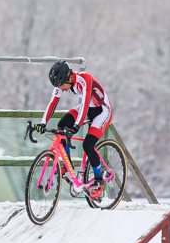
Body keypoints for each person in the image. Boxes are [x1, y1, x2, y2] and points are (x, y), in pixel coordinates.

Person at [34, 59, 113, 196]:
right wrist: (43, 123)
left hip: (102, 110)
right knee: (61, 126)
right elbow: (53, 103)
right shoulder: (61, 83)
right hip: (88, 108)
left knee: (88, 145)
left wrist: (76, 125)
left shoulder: (85, 79)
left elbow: (85, 103)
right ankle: (67, 165)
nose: (61, 89)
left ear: (70, 77)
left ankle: (99, 180)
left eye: (62, 85)